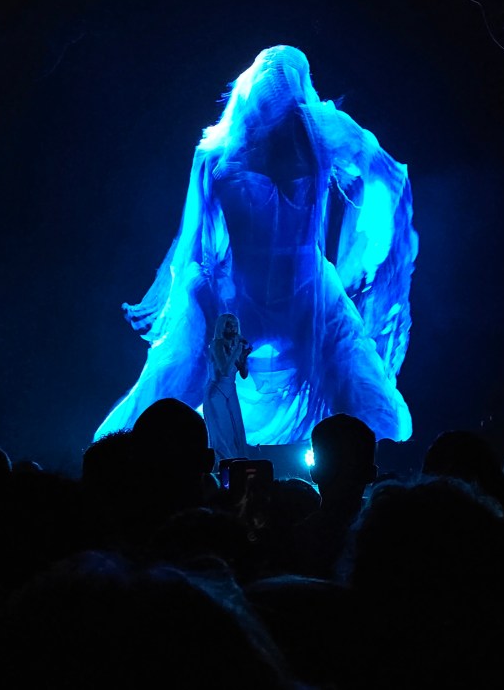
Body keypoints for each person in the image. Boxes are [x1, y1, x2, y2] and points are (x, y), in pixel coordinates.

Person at [93, 45, 418, 445]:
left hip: (305, 293)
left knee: (376, 408)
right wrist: (202, 302)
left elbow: (386, 175)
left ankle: (351, 471)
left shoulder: (320, 136)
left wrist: (363, 247)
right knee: (169, 390)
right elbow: (197, 241)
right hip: (240, 295)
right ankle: (122, 459)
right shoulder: (220, 153)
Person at [205, 313, 253, 460]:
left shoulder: (234, 346)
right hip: (216, 392)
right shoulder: (217, 344)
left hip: (231, 391)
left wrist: (243, 358)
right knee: (222, 432)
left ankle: (238, 466)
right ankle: (223, 469)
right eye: (228, 325)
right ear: (222, 326)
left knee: (236, 431)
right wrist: (237, 351)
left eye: (234, 325)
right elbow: (224, 370)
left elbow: (243, 374)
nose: (232, 328)